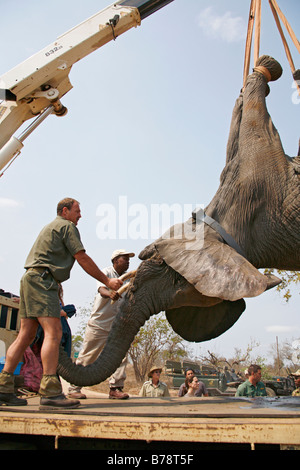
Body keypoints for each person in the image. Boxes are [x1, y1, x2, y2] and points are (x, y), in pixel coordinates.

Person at [0, 198, 123, 409]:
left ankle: (3, 388)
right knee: (54, 333)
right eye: (77, 211)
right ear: (65, 211)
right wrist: (108, 281)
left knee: (26, 335)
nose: (80, 215)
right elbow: (82, 257)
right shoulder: (67, 227)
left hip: (30, 278)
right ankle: (50, 392)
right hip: (43, 281)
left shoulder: (51, 227)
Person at [68, 249, 135, 400]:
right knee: (88, 355)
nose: (128, 262)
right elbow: (101, 289)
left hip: (116, 325)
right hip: (98, 324)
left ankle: (115, 388)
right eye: (125, 259)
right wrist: (110, 293)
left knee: (120, 356)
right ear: (116, 260)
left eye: (128, 259)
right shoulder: (106, 273)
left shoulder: (127, 279)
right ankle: (74, 387)